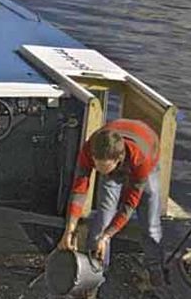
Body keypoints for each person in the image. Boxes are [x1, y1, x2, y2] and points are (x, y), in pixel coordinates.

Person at [58, 118, 163, 281]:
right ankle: (95, 275)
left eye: (105, 168)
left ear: (118, 160)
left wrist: (108, 236)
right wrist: (69, 229)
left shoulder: (141, 160)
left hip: (147, 151)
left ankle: (155, 269)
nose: (101, 172)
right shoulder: (90, 148)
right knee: (102, 221)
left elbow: (129, 205)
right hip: (119, 144)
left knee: (150, 224)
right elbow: (79, 189)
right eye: (97, 167)